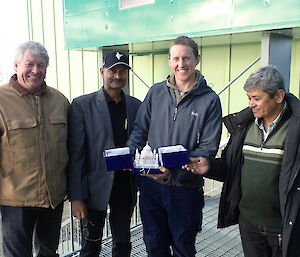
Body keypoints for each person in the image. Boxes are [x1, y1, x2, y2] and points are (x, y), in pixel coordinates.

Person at [184, 65, 300, 257]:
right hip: (249, 224)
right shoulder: (244, 127)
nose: (251, 104)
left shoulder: (295, 130)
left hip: (284, 226)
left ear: (278, 96)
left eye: (256, 98)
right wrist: (209, 166)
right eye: (249, 98)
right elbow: (231, 168)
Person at [128, 36, 222, 257]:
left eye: (186, 58)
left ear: (197, 59)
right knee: (154, 245)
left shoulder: (209, 100)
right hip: (151, 185)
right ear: (169, 61)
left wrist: (176, 169)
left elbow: (208, 146)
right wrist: (131, 157)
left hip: (185, 188)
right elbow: (140, 130)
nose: (182, 64)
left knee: (183, 247)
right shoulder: (155, 92)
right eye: (177, 58)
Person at [67, 51, 141, 257]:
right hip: (93, 189)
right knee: (90, 246)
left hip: (124, 187)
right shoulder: (82, 105)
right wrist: (77, 196)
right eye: (113, 70)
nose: (118, 76)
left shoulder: (136, 106)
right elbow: (76, 155)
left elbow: (142, 142)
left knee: (123, 244)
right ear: (102, 72)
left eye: (123, 71)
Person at [0, 41, 69, 257]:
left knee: (49, 253)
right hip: (16, 200)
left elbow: (71, 148)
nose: (35, 71)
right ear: (16, 66)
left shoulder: (59, 100)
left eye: (40, 65)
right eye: (29, 64)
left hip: (53, 198)